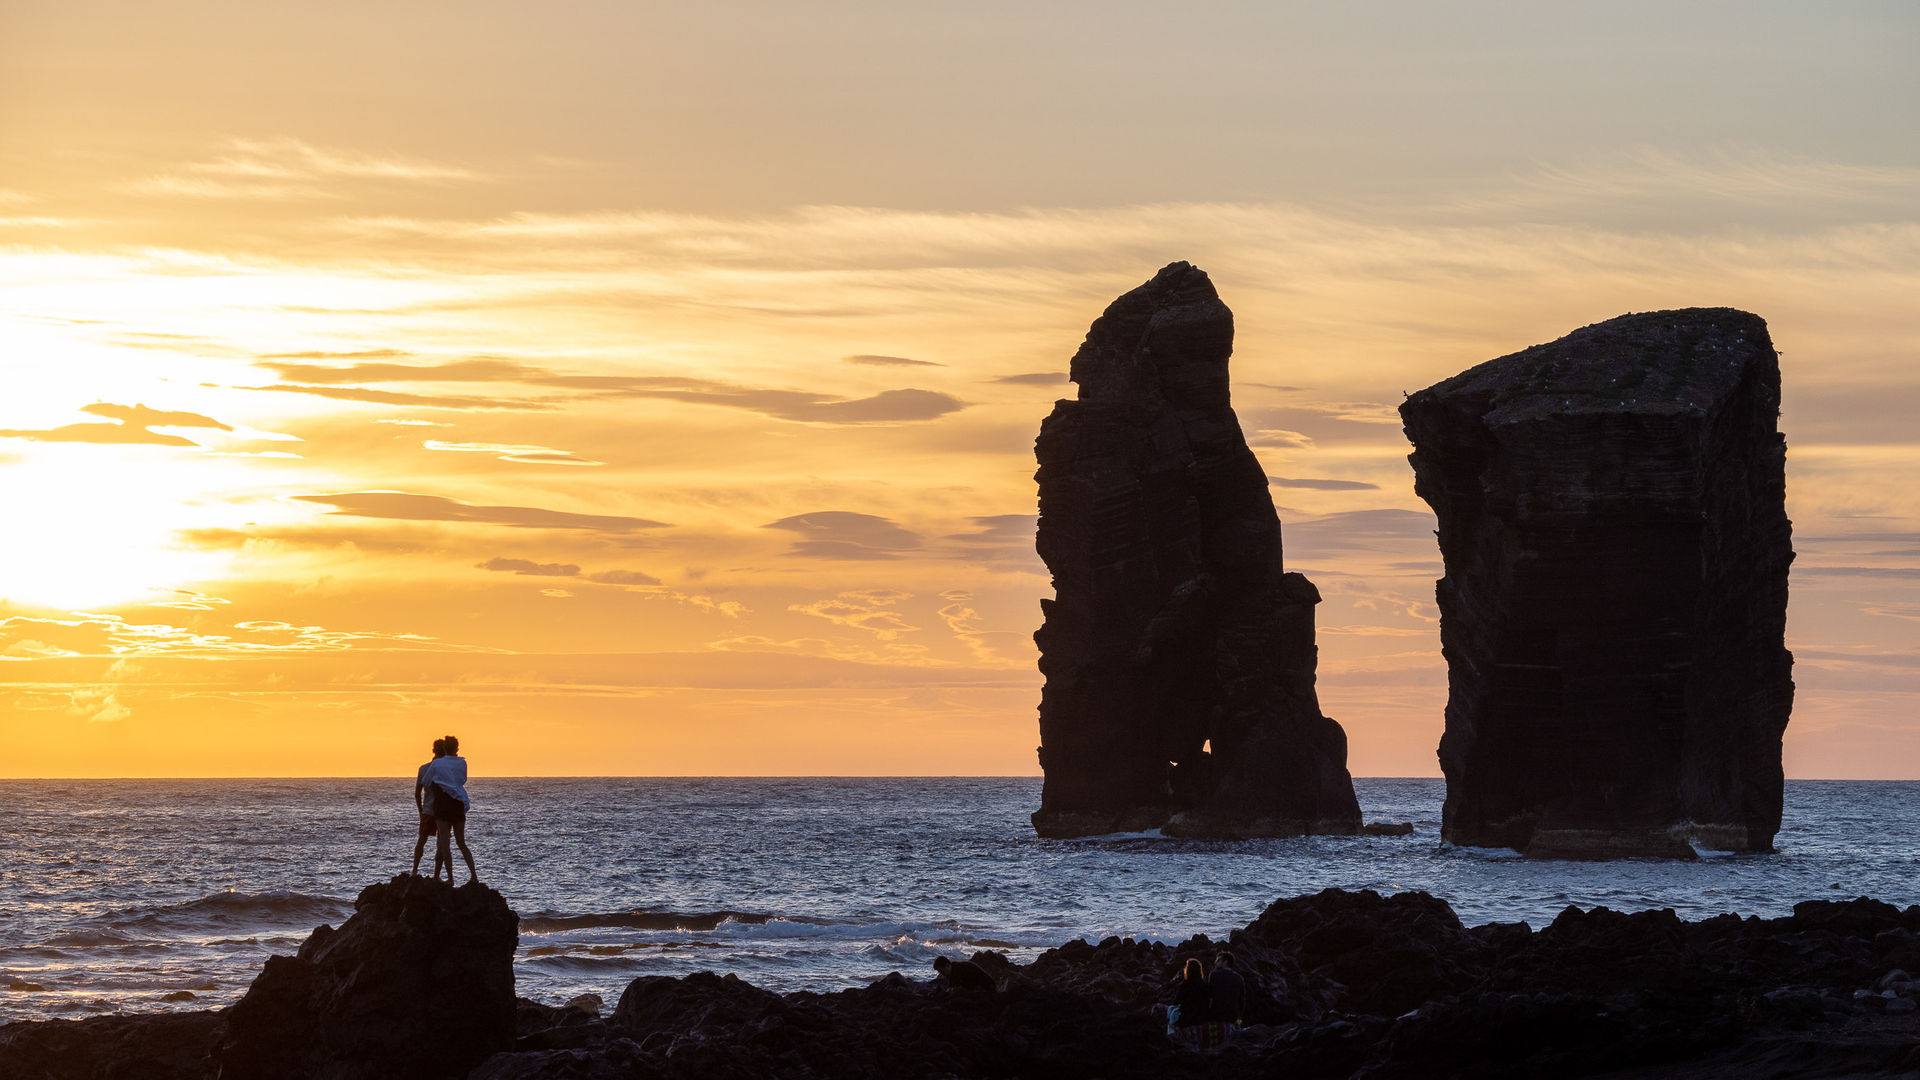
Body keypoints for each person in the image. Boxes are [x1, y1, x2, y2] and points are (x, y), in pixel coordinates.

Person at [422, 733, 479, 885]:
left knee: (445, 842)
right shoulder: (462, 763)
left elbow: (426, 781)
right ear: (457, 748)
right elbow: (463, 780)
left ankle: (451, 878)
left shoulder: (437, 764)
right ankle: (474, 876)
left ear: (444, 748)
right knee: (461, 842)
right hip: (459, 803)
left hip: (442, 804)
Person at [411, 738, 450, 879]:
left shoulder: (423, 768)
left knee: (421, 840)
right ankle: (436, 875)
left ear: (433, 750)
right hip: (443, 811)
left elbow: (417, 793)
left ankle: (414, 871)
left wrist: (420, 810)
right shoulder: (446, 769)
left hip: (427, 810)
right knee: (441, 844)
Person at [1207, 951, 1246, 1027]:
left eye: (1218, 960)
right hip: (1233, 1017)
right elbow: (1242, 1002)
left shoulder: (1214, 975)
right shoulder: (1239, 978)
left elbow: (1209, 995)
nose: (1215, 963)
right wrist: (1239, 1018)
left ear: (1225, 962)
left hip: (1216, 1016)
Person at [1171, 957, 1209, 1028]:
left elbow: (1176, 1001)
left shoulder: (1185, 985)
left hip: (1186, 1019)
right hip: (1202, 1018)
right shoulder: (1205, 985)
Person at [931, 955, 996, 992]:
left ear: (947, 965)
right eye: (940, 972)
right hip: (984, 986)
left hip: (988, 987)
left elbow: (955, 988)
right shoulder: (954, 968)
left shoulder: (958, 970)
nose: (942, 974)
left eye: (942, 971)